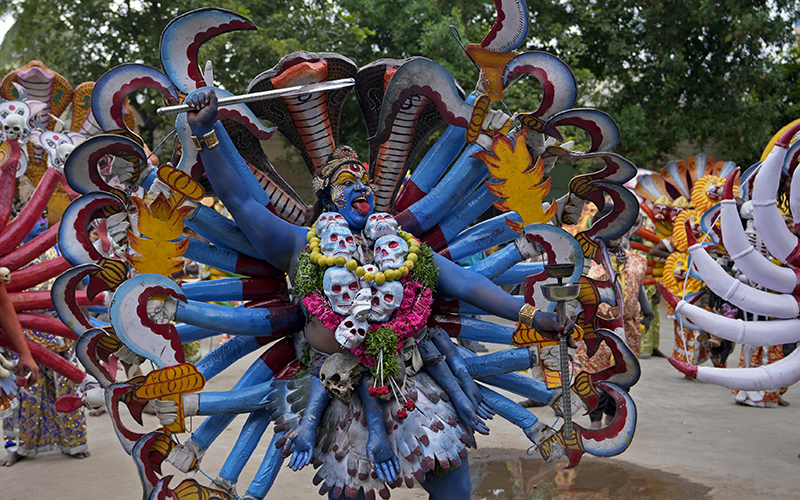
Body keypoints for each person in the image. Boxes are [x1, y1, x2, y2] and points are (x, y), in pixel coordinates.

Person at [183, 89, 573, 499]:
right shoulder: (301, 245)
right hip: (337, 389)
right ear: (327, 195)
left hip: (411, 382)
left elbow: (467, 283)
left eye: (364, 181)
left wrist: (532, 315)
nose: (360, 189)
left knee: (453, 485)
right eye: (347, 183)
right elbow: (242, 202)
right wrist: (207, 131)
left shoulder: (404, 246)